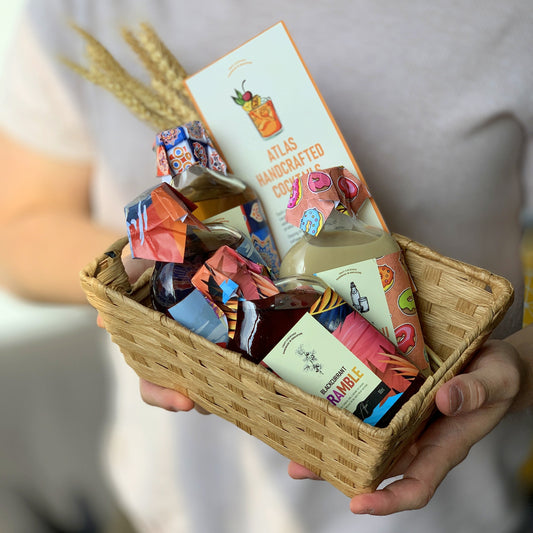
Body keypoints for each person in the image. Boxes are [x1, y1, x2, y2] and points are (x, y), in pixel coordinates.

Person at [1, 0, 532, 531]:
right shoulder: (84, 10)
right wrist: (160, 285)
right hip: (171, 509)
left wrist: (521, 370)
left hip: (454, 511)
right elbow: (17, 228)